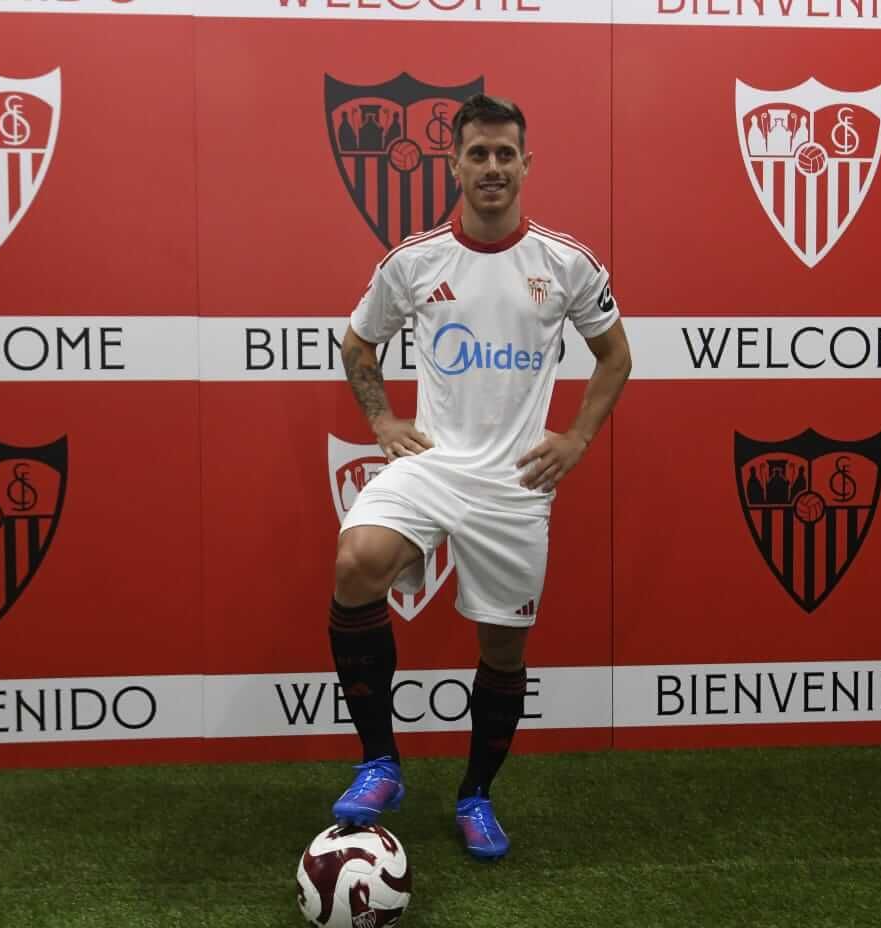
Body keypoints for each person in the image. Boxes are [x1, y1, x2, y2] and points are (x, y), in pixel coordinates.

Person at [327, 94, 632, 860]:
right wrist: (383, 424)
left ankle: (475, 797)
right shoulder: (415, 261)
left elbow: (615, 357)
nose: (492, 167)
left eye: (506, 154)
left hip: (514, 487)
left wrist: (577, 437)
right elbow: (358, 345)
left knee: (502, 650)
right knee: (355, 563)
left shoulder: (567, 264)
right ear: (454, 163)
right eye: (478, 154)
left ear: (526, 164)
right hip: (432, 465)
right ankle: (380, 764)